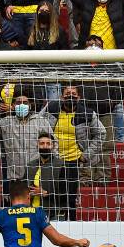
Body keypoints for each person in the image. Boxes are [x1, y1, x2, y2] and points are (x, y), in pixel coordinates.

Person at [40, 85, 105, 218]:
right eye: (67, 93)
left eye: (74, 94)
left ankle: (71, 222)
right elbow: (38, 125)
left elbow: (101, 133)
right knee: (50, 195)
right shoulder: (51, 108)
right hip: (52, 159)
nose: (70, 96)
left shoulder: (87, 113)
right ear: (61, 96)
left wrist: (85, 155)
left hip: (73, 161)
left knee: (69, 198)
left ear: (79, 97)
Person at [0, 90, 54, 184]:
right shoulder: (6, 122)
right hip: (15, 176)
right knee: (17, 199)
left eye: (25, 103)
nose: (22, 105)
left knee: (39, 199)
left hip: (38, 174)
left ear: (30, 105)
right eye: (18, 103)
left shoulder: (41, 121)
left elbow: (54, 143)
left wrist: (51, 167)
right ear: (13, 105)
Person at [24, 132, 68, 220]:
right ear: (37, 146)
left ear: (53, 146)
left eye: (48, 144)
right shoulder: (30, 165)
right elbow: (23, 189)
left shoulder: (61, 165)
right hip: (30, 213)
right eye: (42, 143)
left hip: (53, 214)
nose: (45, 146)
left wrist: (46, 194)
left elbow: (66, 194)